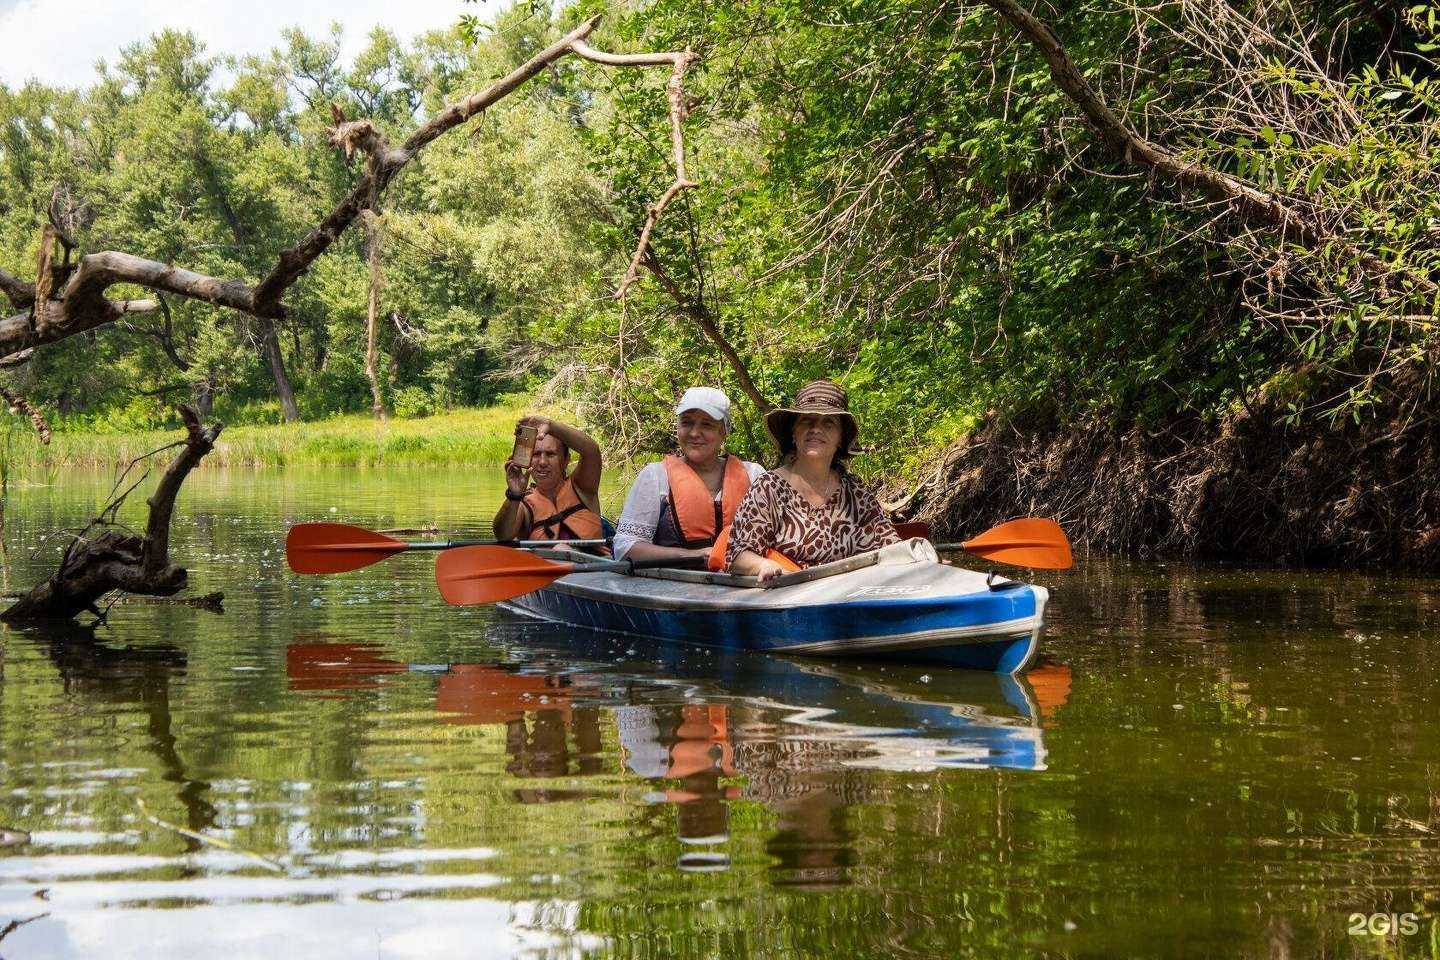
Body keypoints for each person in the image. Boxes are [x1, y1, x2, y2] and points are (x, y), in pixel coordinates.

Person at [726, 379, 898, 581]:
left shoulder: (855, 490)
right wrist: (762, 564)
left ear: (840, 438)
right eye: (807, 420)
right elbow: (737, 555)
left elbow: (891, 546)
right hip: (789, 600)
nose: (816, 428)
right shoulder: (769, 488)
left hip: (848, 596)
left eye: (829, 423)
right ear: (794, 432)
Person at [613, 387, 767, 563]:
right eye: (686, 423)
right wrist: (695, 554)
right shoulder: (655, 476)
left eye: (707, 424)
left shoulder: (754, 474)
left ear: (724, 431)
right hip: (674, 586)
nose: (694, 433)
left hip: (743, 586)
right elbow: (624, 548)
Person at [492, 416, 605, 547]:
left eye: (550, 454)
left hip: (595, 565)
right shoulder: (522, 503)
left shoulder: (582, 487)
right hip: (549, 565)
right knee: (559, 549)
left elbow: (591, 451)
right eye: (536, 454)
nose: (542, 462)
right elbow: (502, 536)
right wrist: (514, 495)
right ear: (528, 460)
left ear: (566, 460)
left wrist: (551, 426)